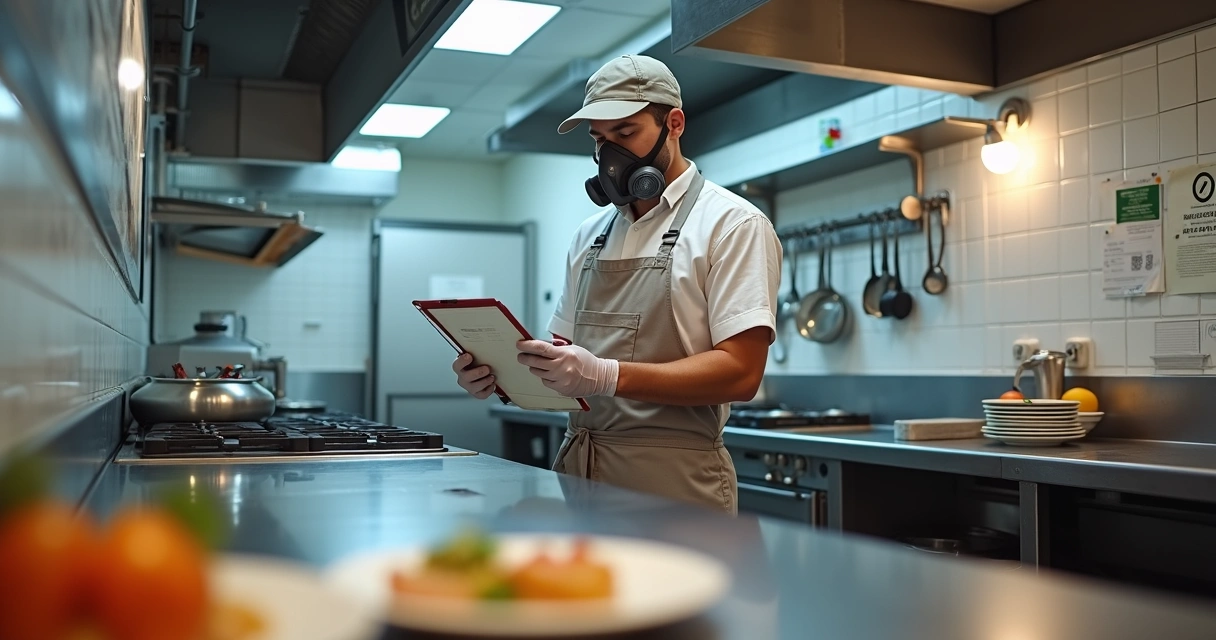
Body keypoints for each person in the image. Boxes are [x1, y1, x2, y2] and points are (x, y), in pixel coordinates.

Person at [452, 54, 782, 515]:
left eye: (625, 134)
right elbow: (568, 358)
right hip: (581, 473)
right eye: (599, 140)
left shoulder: (732, 224)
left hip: (675, 484)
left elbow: (742, 373)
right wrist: (504, 374)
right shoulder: (590, 235)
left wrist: (606, 375)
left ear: (674, 123)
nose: (610, 156)